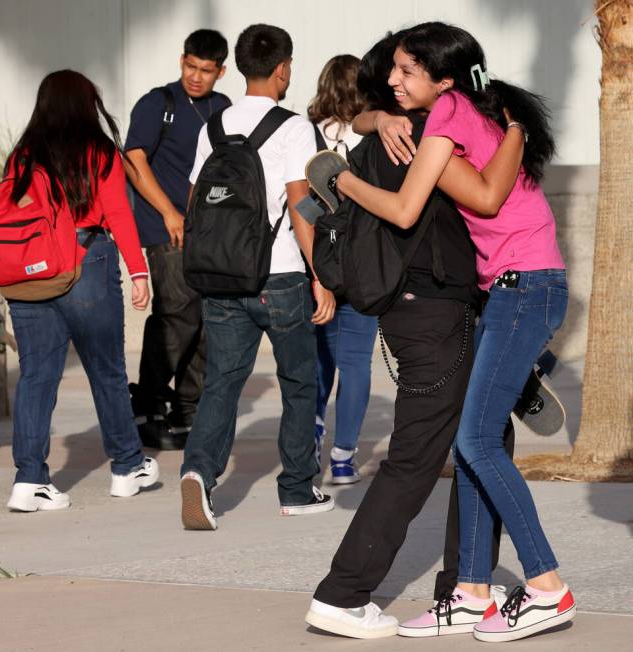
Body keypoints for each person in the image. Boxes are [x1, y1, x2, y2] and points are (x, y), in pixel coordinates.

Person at [326, 22, 575, 643]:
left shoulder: (447, 117)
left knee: (477, 443)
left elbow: (427, 207)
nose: (392, 80)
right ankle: (468, 593)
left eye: (406, 71)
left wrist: (342, 181)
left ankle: (548, 587)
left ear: (443, 80)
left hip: (525, 285)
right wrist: (376, 120)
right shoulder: (477, 110)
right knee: (473, 442)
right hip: (507, 288)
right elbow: (486, 190)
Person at [179, 23, 337, 531]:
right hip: (281, 278)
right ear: (284, 69)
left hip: (222, 280)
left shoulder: (214, 127)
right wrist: (322, 276)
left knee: (221, 384)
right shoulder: (293, 128)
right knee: (298, 384)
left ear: (240, 67)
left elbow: (194, 206)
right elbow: (299, 207)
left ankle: (198, 472)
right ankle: (296, 488)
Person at [3, 70, 159, 512]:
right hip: (87, 261)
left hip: (31, 273)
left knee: (36, 376)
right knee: (106, 370)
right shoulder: (99, 152)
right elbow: (119, 215)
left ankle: (28, 479)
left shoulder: (23, 156)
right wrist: (139, 271)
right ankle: (127, 467)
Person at [125, 30, 231, 450]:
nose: (197, 77)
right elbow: (134, 160)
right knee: (176, 315)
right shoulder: (159, 103)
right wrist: (170, 212)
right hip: (164, 229)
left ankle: (188, 409)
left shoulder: (222, 108)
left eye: (207, 70)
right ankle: (147, 403)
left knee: (205, 322)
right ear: (181, 60)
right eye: (191, 66)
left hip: (208, 234)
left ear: (221, 72)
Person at [308, 54, 377, 484]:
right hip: (363, 267)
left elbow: (295, 204)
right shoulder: (373, 139)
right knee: (356, 363)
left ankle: (312, 431)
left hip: (317, 266)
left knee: (318, 359)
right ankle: (343, 456)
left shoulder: (305, 135)